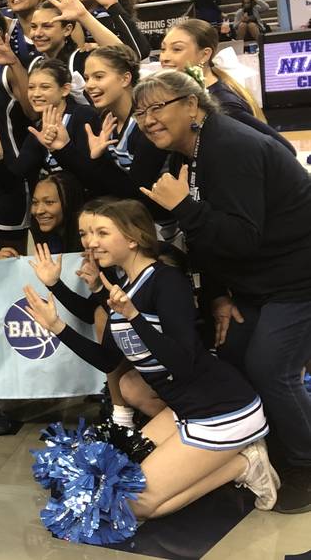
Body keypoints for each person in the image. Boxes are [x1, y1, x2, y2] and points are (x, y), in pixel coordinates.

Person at [24, 200, 280, 519]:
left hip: (223, 412)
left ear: (133, 238)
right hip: (184, 409)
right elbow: (106, 361)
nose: (90, 242)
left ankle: (245, 465)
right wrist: (56, 325)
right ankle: (238, 461)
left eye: (102, 232)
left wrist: (133, 316)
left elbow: (183, 363)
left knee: (135, 503)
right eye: (87, 234)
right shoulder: (124, 286)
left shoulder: (167, 281)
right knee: (121, 471)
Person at [131, 70, 311, 513]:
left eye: (159, 107)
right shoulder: (189, 154)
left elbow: (241, 237)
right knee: (231, 356)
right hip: (258, 281)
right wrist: (217, 296)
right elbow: (208, 242)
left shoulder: (229, 146)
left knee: (272, 368)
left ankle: (305, 465)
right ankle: (260, 449)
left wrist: (184, 207)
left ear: (193, 106)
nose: (149, 119)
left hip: (299, 278)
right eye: (141, 112)